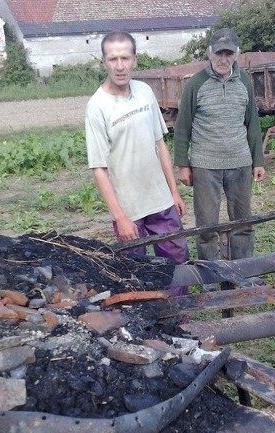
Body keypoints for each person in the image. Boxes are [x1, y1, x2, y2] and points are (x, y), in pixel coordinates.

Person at [85, 31, 189, 295]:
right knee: (135, 271)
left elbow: (159, 144)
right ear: (103, 62)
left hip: (161, 201)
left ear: (135, 60)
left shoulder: (144, 92)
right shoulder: (97, 107)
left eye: (125, 58)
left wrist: (174, 192)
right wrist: (120, 217)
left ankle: (179, 316)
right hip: (129, 209)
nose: (119, 66)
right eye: (113, 59)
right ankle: (149, 325)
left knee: (176, 262)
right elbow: (99, 168)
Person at [174, 28, 266, 265]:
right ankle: (210, 274)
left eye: (229, 54)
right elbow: (183, 125)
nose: (223, 60)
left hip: (240, 163)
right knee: (206, 227)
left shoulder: (245, 80)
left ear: (237, 53)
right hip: (206, 166)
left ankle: (244, 269)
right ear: (209, 53)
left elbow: (252, 122)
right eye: (219, 54)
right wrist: (183, 164)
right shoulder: (196, 83)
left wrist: (258, 160)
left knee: (243, 223)